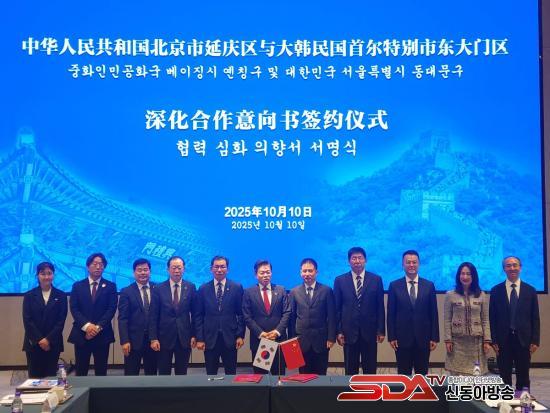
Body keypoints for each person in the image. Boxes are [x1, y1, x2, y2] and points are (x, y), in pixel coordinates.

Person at [489, 256, 540, 390]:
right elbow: (492, 318)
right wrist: (493, 340)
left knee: (523, 374)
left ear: (520, 268)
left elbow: (535, 317)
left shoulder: (530, 290)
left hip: (524, 340)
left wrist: (535, 340)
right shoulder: (496, 291)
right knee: (504, 375)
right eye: (508, 265)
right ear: (504, 269)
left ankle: (522, 398)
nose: (512, 268)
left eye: (515, 265)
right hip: (502, 341)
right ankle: (505, 398)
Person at [333, 247, 385, 374]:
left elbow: (380, 307)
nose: (357, 261)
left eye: (360, 258)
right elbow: (337, 309)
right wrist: (338, 331)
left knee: (370, 369)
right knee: (350, 370)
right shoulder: (340, 280)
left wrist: (381, 330)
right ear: (349, 261)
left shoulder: (376, 279)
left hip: (370, 332)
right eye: (354, 258)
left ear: (365, 260)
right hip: (348, 333)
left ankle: (370, 388)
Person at [387, 250, 439, 375]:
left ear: (419, 264)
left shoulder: (429, 285)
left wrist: (434, 337)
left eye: (414, 262)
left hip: (424, 338)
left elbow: (433, 313)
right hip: (401, 339)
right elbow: (391, 314)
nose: (411, 265)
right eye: (408, 262)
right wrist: (392, 336)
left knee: (422, 374)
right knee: (403, 374)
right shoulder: (394, 286)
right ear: (403, 264)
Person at [68, 252, 117, 376]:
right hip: (82, 334)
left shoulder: (110, 286)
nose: (98, 267)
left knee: (101, 371)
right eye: (95, 264)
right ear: (88, 266)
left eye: (101, 264)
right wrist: (87, 326)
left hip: (102, 334)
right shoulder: (77, 286)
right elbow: (74, 308)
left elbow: (111, 309)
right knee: (81, 370)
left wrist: (97, 328)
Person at [195, 256, 245, 375]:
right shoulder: (203, 289)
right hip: (210, 338)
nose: (219, 270)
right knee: (211, 373)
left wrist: (240, 335)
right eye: (216, 267)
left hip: (230, 338)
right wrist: (200, 339)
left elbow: (241, 314)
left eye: (222, 267)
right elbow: (198, 316)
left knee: (231, 373)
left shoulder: (236, 287)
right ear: (211, 269)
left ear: (227, 269)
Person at [149, 256, 197, 375]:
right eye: (173, 268)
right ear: (168, 269)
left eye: (179, 268)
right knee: (164, 372)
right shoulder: (158, 288)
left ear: (184, 269)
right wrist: (153, 338)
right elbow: (153, 315)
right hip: (163, 338)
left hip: (184, 337)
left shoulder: (190, 287)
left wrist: (194, 335)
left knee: (182, 372)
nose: (176, 271)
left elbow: (195, 314)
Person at [288, 258, 336, 375]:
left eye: (310, 271)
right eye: (304, 271)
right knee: (303, 375)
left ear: (316, 272)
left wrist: (331, 337)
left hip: (321, 341)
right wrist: (291, 341)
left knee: (321, 375)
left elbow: (331, 316)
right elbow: (291, 319)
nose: (307, 274)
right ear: (300, 273)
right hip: (301, 341)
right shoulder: (294, 292)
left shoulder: (326, 290)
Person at [242, 259, 290, 374]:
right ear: (256, 275)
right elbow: (247, 316)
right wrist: (261, 333)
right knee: (261, 378)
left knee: (278, 377)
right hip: (259, 341)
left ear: (271, 273)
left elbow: (287, 312)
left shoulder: (281, 290)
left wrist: (277, 331)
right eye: (262, 272)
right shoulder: (248, 292)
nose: (265, 275)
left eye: (268, 272)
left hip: (278, 340)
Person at [444, 262, 492, 375]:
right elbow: (447, 319)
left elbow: (485, 319)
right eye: (462, 273)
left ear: (473, 276)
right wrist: (448, 340)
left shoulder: (481, 295)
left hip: (476, 343)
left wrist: (487, 340)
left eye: (468, 274)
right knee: (457, 376)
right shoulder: (450, 295)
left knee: (475, 375)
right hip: (457, 342)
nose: (465, 277)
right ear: (458, 275)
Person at [22, 262, 68, 378]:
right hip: (33, 343)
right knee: (34, 378)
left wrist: (48, 340)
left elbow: (61, 321)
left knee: (50, 377)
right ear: (37, 275)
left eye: (49, 273)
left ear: (53, 275)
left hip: (53, 342)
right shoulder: (29, 295)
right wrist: (40, 340)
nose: (47, 277)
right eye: (43, 274)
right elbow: (27, 320)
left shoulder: (61, 295)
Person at [118, 258, 158, 375]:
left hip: (154, 340)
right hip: (133, 341)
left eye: (145, 270)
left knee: (152, 374)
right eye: (139, 270)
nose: (143, 273)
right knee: (131, 374)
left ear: (150, 271)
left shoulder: (158, 289)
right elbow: (123, 318)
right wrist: (124, 341)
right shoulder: (126, 291)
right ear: (134, 272)